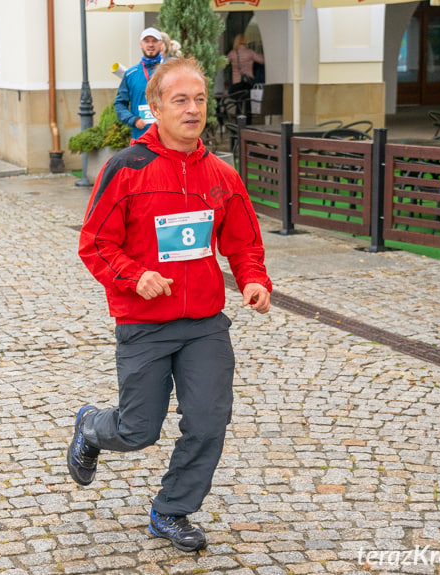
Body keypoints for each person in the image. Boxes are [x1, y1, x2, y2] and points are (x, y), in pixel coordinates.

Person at [70, 56, 272, 553]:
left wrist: (252, 280)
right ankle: (92, 427)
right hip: (145, 324)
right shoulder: (128, 168)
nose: (192, 109)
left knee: (208, 422)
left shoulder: (221, 175)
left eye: (200, 99)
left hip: (205, 323)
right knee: (137, 430)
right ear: (155, 106)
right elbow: (94, 243)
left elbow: (243, 242)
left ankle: (172, 510)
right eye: (180, 100)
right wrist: (136, 277)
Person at [114, 27, 164, 141]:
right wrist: (133, 120)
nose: (150, 45)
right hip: (141, 136)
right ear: (141, 44)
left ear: (161, 44)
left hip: (167, 137)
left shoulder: (171, 71)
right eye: (147, 41)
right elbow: (120, 103)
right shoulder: (131, 74)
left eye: (154, 41)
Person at [226, 33, 264, 100]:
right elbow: (262, 61)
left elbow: (223, 64)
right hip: (248, 85)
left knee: (238, 103)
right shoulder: (250, 52)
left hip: (236, 86)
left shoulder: (232, 53)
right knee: (247, 103)